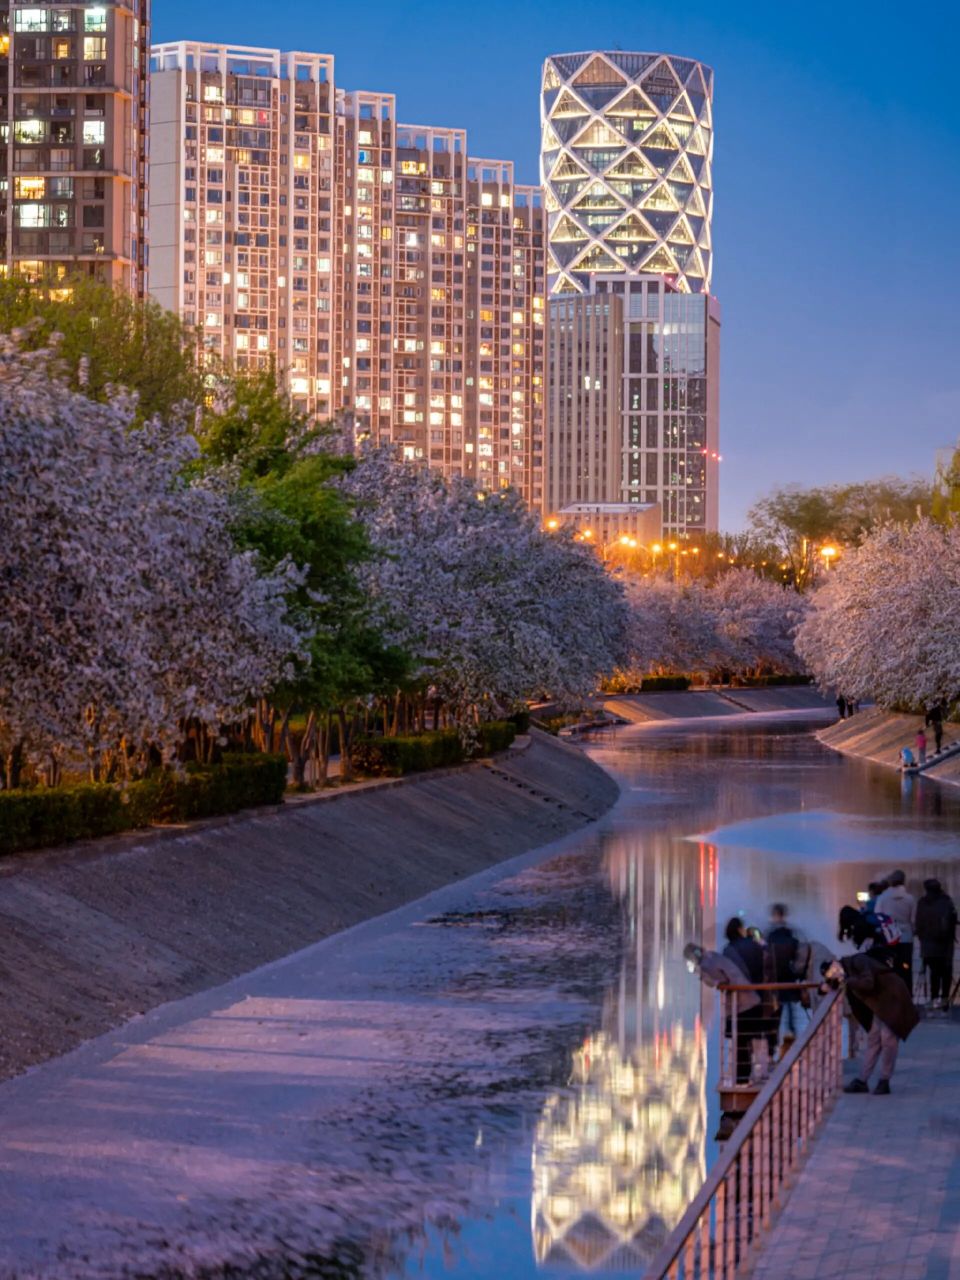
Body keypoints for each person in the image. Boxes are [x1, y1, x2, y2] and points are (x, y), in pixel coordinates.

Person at [835, 949, 920, 1095]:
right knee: (874, 1039)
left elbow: (868, 983)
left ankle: (884, 1080)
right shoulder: (851, 968)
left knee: (888, 1040)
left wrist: (847, 981)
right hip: (881, 1003)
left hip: (892, 998)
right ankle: (863, 1080)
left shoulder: (857, 960)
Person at [685, 940, 763, 1086]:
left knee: (741, 1042)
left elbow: (717, 982)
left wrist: (700, 973)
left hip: (742, 1004)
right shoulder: (713, 957)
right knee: (745, 1042)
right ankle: (747, 1075)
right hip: (746, 1000)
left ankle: (742, 1078)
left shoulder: (707, 965)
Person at [722, 917, 768, 1083]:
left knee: (740, 1040)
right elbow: (765, 966)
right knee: (756, 1036)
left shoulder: (728, 951)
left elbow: (725, 976)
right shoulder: (755, 946)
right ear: (740, 930)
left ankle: (742, 1077)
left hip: (738, 1001)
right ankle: (761, 1072)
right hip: (757, 996)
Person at [916, 878, 957, 1009]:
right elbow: (953, 920)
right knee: (946, 972)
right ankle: (944, 999)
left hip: (928, 944)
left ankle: (933, 998)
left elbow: (918, 923)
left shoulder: (922, 902)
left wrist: (922, 939)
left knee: (934, 973)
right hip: (945, 945)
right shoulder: (947, 901)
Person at [767, 903, 806, 1044]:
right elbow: (800, 956)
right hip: (789, 977)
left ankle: (774, 1037)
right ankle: (791, 1033)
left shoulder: (770, 936)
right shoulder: (791, 935)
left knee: (775, 1008)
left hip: (775, 978)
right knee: (789, 1008)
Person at [877, 871, 916, 992]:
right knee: (906, 967)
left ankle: (890, 992)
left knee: (889, 967)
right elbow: (913, 919)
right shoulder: (910, 899)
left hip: (889, 937)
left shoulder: (883, 898)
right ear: (903, 881)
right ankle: (907, 993)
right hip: (906, 937)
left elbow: (878, 916)